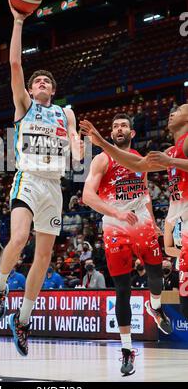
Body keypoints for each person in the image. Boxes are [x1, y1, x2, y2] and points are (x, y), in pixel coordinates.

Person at [0, 0, 84, 357]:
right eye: (37, 81)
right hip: (28, 178)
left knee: (43, 259)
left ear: (53, 91)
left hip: (54, 186)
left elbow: (75, 139)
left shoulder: (65, 112)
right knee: (20, 237)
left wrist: (76, 150)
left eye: (46, 81)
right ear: (30, 91)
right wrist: (17, 21)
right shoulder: (24, 107)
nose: (41, 82)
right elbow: (15, 63)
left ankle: (23, 319)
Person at [81, 113, 171, 376]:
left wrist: (153, 221)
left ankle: (154, 307)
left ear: (132, 133)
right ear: (111, 134)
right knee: (123, 289)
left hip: (141, 221)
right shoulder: (101, 158)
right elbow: (87, 195)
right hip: (115, 224)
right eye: (114, 126)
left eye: (123, 126)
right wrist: (116, 213)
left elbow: (144, 194)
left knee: (157, 276)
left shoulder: (139, 159)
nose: (118, 129)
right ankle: (126, 350)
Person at [80, 104, 188, 317]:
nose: (172, 113)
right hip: (179, 230)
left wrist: (171, 162)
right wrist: (101, 142)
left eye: (179, 110)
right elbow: (138, 165)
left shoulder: (179, 149)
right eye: (171, 111)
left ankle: (155, 307)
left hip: (156, 223)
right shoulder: (170, 151)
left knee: (159, 277)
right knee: (185, 306)